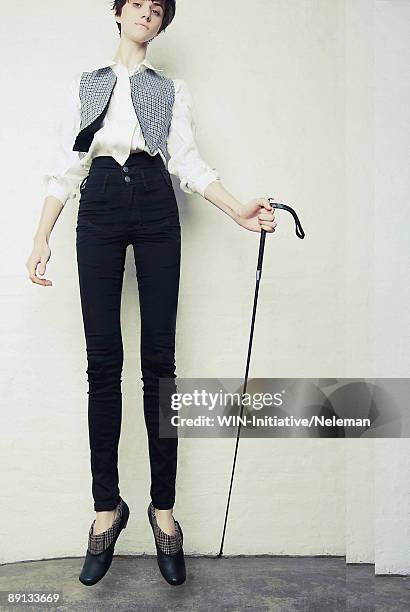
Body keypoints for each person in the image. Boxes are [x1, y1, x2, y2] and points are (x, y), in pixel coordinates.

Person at [25, 0, 276, 588]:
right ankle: (105, 509)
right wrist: (42, 236)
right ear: (117, 14)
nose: (147, 13)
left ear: (162, 23)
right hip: (102, 202)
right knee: (102, 364)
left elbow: (187, 161)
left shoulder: (172, 89)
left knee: (160, 363)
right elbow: (66, 164)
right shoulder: (86, 84)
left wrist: (239, 210)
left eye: (157, 9)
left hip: (159, 202)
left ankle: (163, 511)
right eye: (137, 4)